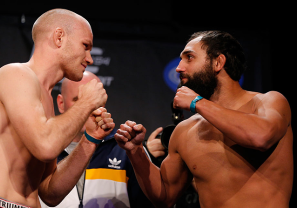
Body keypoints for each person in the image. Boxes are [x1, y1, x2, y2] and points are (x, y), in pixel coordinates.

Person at [115, 31, 293, 208]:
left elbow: (261, 137)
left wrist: (197, 103)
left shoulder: (269, 102)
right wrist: (136, 152)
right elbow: (165, 196)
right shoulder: (186, 131)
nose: (179, 68)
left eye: (189, 58)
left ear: (218, 62)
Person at [0, 9, 115, 208]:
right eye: (85, 46)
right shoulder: (15, 75)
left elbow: (50, 193)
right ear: (59, 37)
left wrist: (90, 139)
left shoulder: (46, 101)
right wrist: (86, 102)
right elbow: (46, 145)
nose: (90, 58)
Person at [40, 71, 154, 208]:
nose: (88, 109)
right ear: (61, 103)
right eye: (79, 101)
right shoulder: (42, 149)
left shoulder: (125, 149)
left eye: (94, 101)